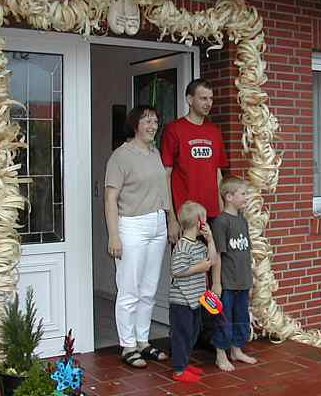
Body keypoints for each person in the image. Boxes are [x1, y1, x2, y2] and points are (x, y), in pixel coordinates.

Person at [104, 105, 170, 368]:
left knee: (149, 289)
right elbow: (110, 198)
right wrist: (113, 236)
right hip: (131, 225)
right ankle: (127, 345)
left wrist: (169, 218)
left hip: (157, 224)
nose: (152, 126)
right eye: (146, 121)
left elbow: (163, 188)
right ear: (135, 125)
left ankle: (143, 341)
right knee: (129, 289)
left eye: (155, 121)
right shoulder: (120, 156)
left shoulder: (155, 153)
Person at [161, 78, 228, 243]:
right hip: (186, 216)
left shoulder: (214, 131)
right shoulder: (173, 130)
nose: (208, 103)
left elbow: (217, 174)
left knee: (214, 265)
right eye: (203, 98)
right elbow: (165, 176)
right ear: (190, 100)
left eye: (211, 98)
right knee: (188, 267)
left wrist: (223, 214)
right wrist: (172, 219)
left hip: (213, 215)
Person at [210, 176, 257, 371]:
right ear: (229, 197)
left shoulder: (242, 221)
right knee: (224, 319)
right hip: (227, 283)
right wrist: (216, 283)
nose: (247, 197)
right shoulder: (221, 222)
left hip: (242, 281)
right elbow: (218, 255)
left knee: (241, 318)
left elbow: (246, 252)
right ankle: (220, 354)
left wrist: (250, 277)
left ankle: (236, 350)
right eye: (243, 194)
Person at [169, 201, 218, 382]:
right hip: (181, 300)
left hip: (196, 299)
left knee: (193, 332)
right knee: (182, 334)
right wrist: (199, 268)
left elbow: (212, 260)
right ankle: (179, 370)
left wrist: (210, 239)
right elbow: (177, 270)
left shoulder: (199, 244)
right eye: (204, 218)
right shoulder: (182, 246)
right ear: (199, 222)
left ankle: (185, 362)